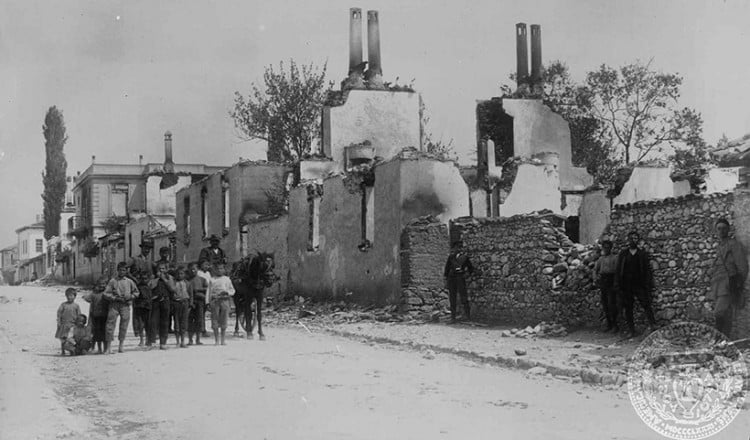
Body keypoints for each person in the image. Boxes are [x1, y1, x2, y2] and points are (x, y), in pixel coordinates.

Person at [709, 218, 748, 337]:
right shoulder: (719, 247)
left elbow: (743, 266)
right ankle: (725, 342)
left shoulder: (733, 245)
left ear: (728, 230)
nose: (721, 231)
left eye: (724, 228)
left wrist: (738, 283)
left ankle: (718, 340)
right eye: (719, 228)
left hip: (728, 284)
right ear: (715, 231)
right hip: (718, 286)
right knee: (726, 314)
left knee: (718, 312)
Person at [614, 230, 657, 338]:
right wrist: (618, 284)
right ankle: (631, 330)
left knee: (646, 304)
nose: (633, 240)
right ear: (628, 240)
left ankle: (653, 325)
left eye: (635, 238)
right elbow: (618, 270)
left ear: (638, 241)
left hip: (639, 285)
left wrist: (648, 284)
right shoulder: (623, 254)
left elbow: (647, 270)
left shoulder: (642, 254)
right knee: (628, 308)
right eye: (631, 238)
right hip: (626, 285)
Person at [103, 262, 140, 354]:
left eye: (124, 270)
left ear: (126, 271)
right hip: (114, 304)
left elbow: (136, 292)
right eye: (120, 270)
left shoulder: (129, 281)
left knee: (124, 325)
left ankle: (121, 345)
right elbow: (106, 293)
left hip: (125, 305)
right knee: (110, 324)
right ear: (117, 270)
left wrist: (130, 297)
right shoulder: (113, 281)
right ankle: (108, 347)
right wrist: (114, 297)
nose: (122, 272)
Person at [443, 241, 475, 323]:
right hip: (452, 278)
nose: (459, 249)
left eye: (460, 247)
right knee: (452, 298)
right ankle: (453, 318)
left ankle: (468, 317)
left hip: (460, 277)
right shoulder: (451, 257)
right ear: (454, 248)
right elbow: (447, 269)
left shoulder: (465, 257)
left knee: (463, 296)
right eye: (457, 247)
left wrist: (466, 274)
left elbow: (470, 268)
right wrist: (446, 279)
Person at [148, 261, 176, 350]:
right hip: (155, 301)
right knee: (153, 321)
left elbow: (172, 288)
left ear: (166, 269)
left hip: (166, 301)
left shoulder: (169, 277)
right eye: (159, 269)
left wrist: (164, 279)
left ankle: (163, 342)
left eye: (163, 268)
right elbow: (150, 287)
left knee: (164, 322)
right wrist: (157, 278)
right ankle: (152, 341)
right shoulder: (153, 278)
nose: (161, 270)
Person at [594, 239, 619, 333]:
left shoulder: (615, 258)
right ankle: (609, 324)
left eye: (608, 248)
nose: (606, 249)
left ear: (611, 248)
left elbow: (617, 271)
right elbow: (595, 270)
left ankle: (615, 325)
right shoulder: (601, 259)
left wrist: (616, 282)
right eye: (604, 248)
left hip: (611, 280)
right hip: (603, 281)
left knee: (612, 304)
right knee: (605, 304)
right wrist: (595, 279)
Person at [208, 263, 235, 345]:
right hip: (215, 301)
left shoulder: (227, 279)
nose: (219, 270)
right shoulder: (212, 279)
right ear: (215, 270)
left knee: (224, 319)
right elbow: (209, 292)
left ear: (224, 270)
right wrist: (208, 302)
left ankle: (223, 340)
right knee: (215, 320)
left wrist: (227, 292)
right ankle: (216, 340)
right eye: (218, 269)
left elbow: (232, 290)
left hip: (225, 301)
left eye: (221, 269)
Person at [82, 278, 109, 354]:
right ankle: (99, 348)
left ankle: (105, 348)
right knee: (97, 333)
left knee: (104, 333)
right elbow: (87, 298)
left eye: (103, 284)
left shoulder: (107, 293)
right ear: (97, 285)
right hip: (96, 316)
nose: (102, 286)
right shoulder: (94, 294)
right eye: (100, 284)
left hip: (105, 316)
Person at [56, 288, 81, 356]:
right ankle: (63, 351)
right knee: (63, 339)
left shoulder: (76, 306)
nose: (69, 297)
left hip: (72, 325)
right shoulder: (63, 305)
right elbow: (59, 313)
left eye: (71, 296)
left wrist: (79, 324)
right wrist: (58, 322)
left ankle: (71, 350)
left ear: (75, 296)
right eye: (68, 296)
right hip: (64, 325)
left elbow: (79, 315)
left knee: (71, 338)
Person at [187, 262, 208, 345]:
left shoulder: (202, 279)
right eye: (191, 269)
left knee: (199, 320)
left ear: (198, 270)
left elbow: (207, 289)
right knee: (189, 320)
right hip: (189, 302)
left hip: (200, 302)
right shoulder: (187, 280)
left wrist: (199, 290)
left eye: (194, 269)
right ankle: (190, 339)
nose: (192, 271)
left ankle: (198, 339)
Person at [172, 266, 192, 348]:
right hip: (176, 303)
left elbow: (191, 294)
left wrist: (190, 304)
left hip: (185, 302)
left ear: (184, 275)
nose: (180, 275)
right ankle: (177, 341)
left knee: (184, 322)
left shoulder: (187, 283)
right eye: (178, 274)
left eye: (182, 274)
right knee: (176, 322)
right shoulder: (173, 283)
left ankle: (183, 341)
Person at [133, 271, 153, 347]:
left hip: (148, 307)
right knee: (141, 324)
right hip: (140, 306)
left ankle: (148, 339)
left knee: (148, 324)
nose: (144, 280)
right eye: (142, 278)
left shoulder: (150, 287)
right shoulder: (138, 286)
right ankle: (141, 340)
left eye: (145, 278)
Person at [196, 259, 212, 337]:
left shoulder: (208, 273)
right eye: (205, 265)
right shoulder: (198, 273)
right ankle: (202, 330)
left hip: (207, 294)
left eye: (208, 265)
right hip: (200, 294)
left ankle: (202, 328)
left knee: (203, 313)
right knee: (200, 313)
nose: (207, 266)